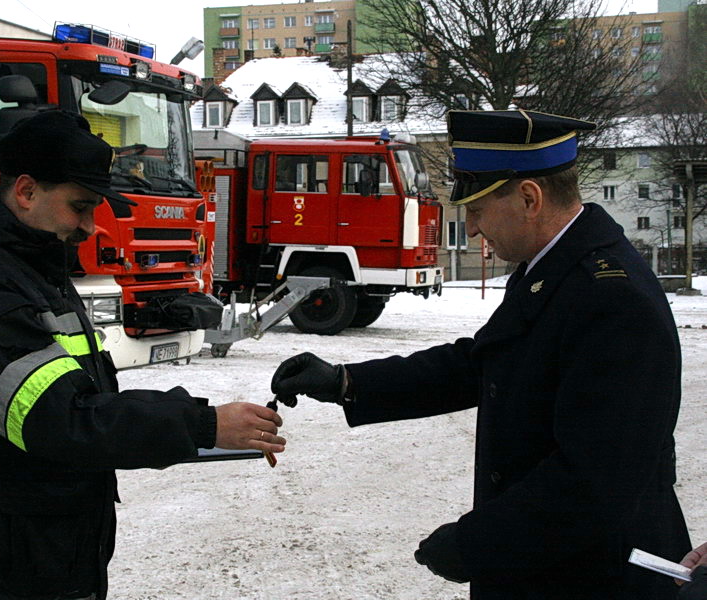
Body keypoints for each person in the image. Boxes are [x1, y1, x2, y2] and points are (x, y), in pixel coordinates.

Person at [271, 110, 690, 599]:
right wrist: (346, 381)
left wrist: (475, 544)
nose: (470, 230)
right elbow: (484, 362)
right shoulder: (553, 268)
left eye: (477, 210)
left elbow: (594, 480)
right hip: (554, 565)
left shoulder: (611, 298)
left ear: (529, 199)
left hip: (596, 576)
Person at [0, 110, 286, 600]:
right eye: (80, 207)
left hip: (34, 557)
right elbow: (61, 420)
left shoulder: (27, 270)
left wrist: (203, 424)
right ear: (26, 192)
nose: (90, 227)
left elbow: (77, 397)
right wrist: (202, 425)